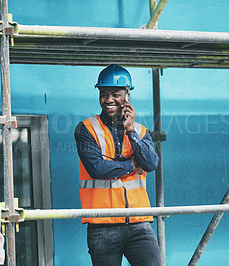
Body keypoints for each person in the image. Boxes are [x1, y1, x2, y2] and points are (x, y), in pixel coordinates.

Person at [74, 64, 161, 266]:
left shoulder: (139, 130)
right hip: (102, 225)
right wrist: (132, 165)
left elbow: (150, 163)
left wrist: (130, 130)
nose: (109, 100)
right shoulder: (86, 129)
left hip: (139, 222)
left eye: (115, 94)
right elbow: (98, 169)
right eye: (104, 94)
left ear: (127, 96)